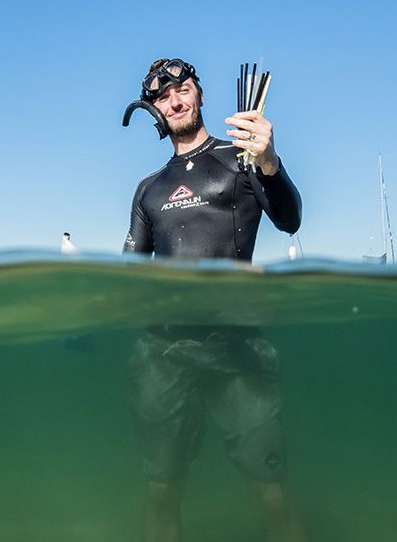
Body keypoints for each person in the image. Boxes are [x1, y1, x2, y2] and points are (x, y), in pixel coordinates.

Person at [123, 58, 306, 542]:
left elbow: (289, 219)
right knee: (162, 489)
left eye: (183, 89)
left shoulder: (241, 160)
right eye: (163, 97)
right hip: (163, 353)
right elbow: (130, 274)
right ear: (154, 111)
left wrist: (269, 160)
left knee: (269, 490)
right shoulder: (148, 189)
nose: (175, 100)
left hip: (236, 349)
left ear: (200, 94)